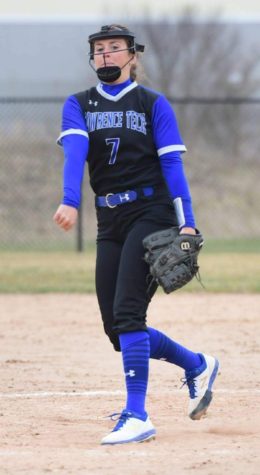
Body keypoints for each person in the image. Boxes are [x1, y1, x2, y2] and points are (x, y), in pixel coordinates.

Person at [53, 24, 219, 445]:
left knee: (129, 313)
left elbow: (172, 167)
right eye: (99, 49)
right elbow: (74, 153)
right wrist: (70, 200)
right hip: (110, 220)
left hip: (152, 212)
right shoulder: (78, 104)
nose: (106, 55)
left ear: (132, 55)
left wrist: (187, 220)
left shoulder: (152, 104)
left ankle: (137, 414)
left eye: (114, 48)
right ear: (92, 58)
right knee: (116, 328)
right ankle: (196, 364)